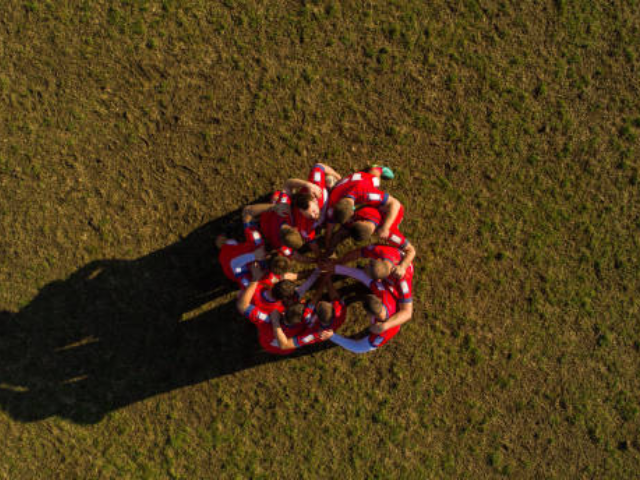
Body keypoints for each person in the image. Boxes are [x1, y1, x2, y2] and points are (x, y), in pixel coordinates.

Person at [319, 265, 410, 353]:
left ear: (370, 314)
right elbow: (362, 275)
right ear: (379, 300)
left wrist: (333, 336)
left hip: (393, 328)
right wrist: (335, 268)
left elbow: (358, 347)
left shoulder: (381, 335)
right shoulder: (384, 293)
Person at [323, 167, 402, 249]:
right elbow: (329, 227)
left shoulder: (367, 193)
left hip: (363, 179)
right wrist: (328, 244)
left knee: (375, 180)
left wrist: (386, 227)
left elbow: (395, 204)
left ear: (353, 211)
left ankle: (378, 168)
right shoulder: (332, 203)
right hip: (352, 180)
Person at [270, 274, 347, 351]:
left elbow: (285, 345)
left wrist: (275, 322)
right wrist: (326, 278)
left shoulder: (314, 334)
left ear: (316, 314)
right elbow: (327, 297)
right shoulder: (339, 308)